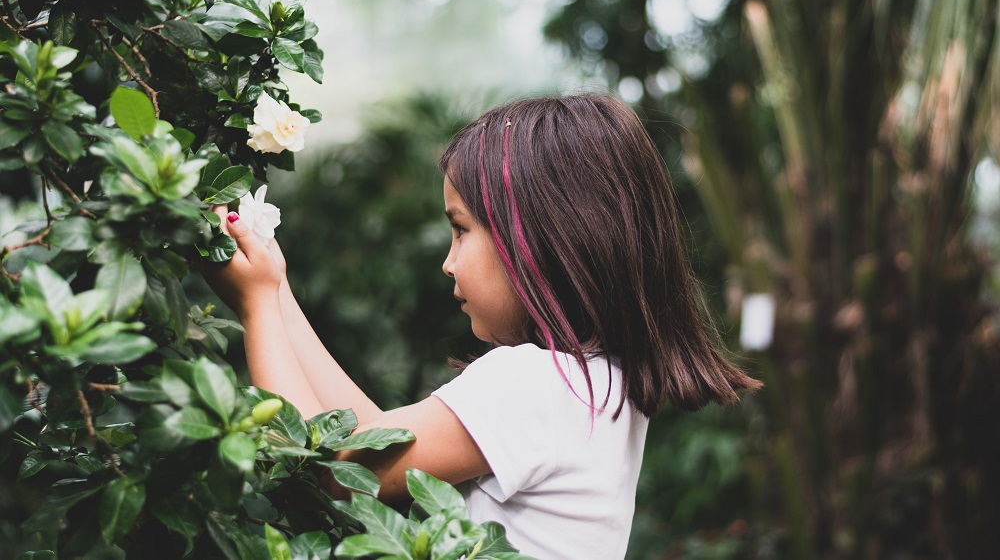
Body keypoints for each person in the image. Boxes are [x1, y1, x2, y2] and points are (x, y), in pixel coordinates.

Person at [203, 93, 762, 560]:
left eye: (461, 230)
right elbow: (373, 438)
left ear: (541, 241)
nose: (448, 260)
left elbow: (331, 469)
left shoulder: (538, 383)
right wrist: (274, 290)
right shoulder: (594, 382)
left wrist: (255, 308)